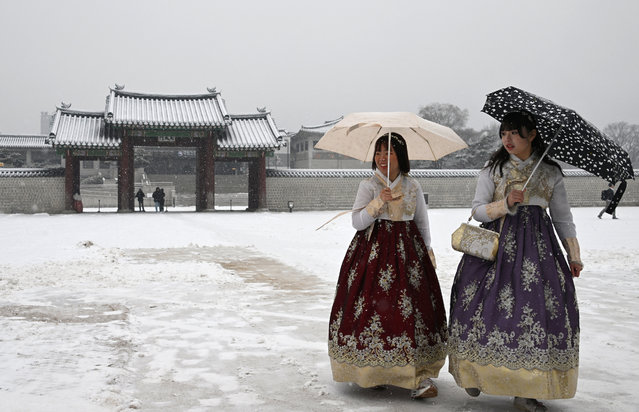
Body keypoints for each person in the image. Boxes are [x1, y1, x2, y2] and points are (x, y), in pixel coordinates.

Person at [447, 111, 583, 412]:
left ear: (532, 135)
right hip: (495, 250)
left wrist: (573, 254)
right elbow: (478, 211)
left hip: (538, 251)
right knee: (479, 308)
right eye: (503, 133)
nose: (507, 139)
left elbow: (562, 217)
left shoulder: (550, 172)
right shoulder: (493, 169)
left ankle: (527, 389)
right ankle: (475, 372)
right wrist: (505, 203)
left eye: (515, 133)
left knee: (534, 315)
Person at [328, 133, 447, 399]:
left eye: (389, 152)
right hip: (372, 255)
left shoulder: (413, 186)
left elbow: (422, 223)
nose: (382, 158)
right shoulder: (368, 185)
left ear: (400, 156)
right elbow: (357, 222)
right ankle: (374, 371)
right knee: (372, 311)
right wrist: (378, 201)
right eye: (379, 152)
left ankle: (419, 375)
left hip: (408, 256)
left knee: (412, 311)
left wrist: (427, 254)